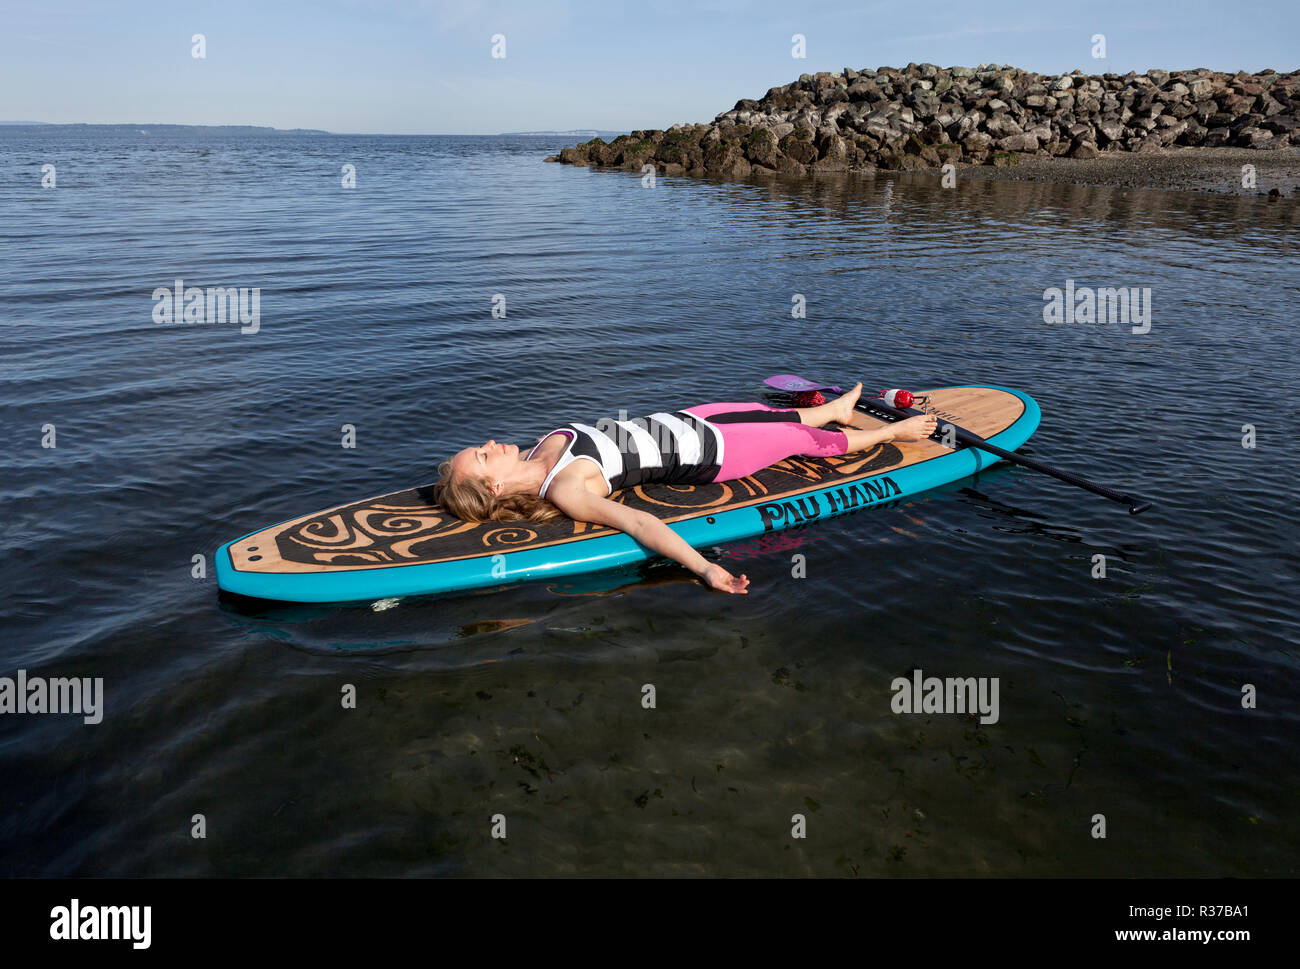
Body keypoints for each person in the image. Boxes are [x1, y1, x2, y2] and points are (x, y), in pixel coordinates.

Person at [433, 382, 937, 594]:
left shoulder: (543, 443)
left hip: (688, 421)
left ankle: (834, 410)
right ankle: (892, 432)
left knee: (763, 411)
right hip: (711, 455)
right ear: (494, 485)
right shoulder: (562, 485)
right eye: (481, 454)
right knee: (799, 439)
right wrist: (704, 567)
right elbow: (638, 521)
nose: (491, 442)